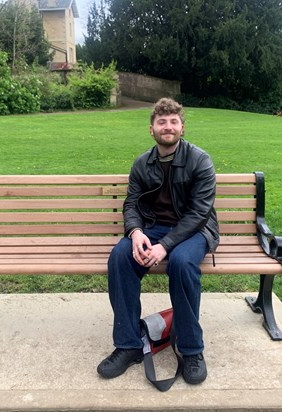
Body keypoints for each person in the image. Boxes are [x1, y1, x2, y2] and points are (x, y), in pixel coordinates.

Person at [97, 97, 219, 385]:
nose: (168, 126)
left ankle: (191, 350)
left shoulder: (200, 160)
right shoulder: (142, 163)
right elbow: (132, 205)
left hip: (194, 229)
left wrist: (165, 245)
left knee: (181, 261)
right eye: (161, 122)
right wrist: (136, 233)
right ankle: (128, 345)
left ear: (182, 128)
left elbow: (200, 213)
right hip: (152, 228)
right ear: (151, 129)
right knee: (121, 256)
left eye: (173, 121)